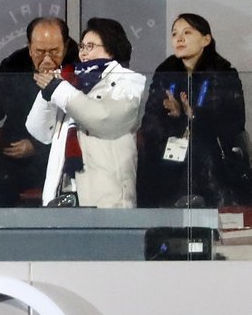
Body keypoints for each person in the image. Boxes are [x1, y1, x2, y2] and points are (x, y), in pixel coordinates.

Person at [26, 17, 146, 208]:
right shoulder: (71, 82)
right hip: (62, 193)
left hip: (106, 199)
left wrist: (58, 90)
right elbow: (39, 130)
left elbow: (102, 117)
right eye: (82, 47)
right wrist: (48, 90)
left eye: (90, 46)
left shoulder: (128, 82)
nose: (83, 53)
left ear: (111, 49)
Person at [0, 17, 78, 207]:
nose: (47, 59)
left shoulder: (81, 68)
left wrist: (37, 147)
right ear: (30, 48)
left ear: (65, 46)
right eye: (40, 52)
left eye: (54, 52)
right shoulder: (15, 65)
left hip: (62, 157)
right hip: (15, 159)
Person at [137, 13, 252, 208]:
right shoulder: (165, 73)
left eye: (187, 32)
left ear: (206, 39)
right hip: (170, 171)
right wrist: (174, 119)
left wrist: (194, 115)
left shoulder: (223, 73)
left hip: (214, 171)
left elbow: (233, 121)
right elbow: (150, 124)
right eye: (174, 34)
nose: (179, 38)